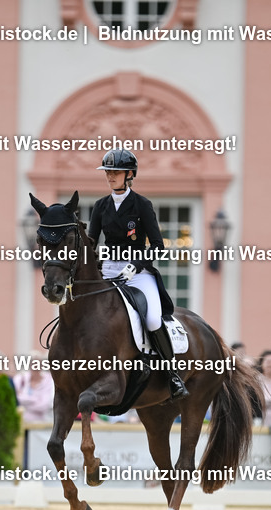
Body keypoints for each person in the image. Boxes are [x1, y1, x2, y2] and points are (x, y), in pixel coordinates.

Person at [88, 148, 187, 401]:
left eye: (116, 172)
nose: (110, 176)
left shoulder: (142, 205)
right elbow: (91, 242)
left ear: (129, 174)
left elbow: (157, 245)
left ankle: (172, 375)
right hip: (108, 269)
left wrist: (136, 264)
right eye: (108, 172)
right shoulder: (100, 206)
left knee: (152, 319)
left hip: (138, 272)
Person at [13, 351, 54, 422]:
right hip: (20, 423)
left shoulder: (49, 381)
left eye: (39, 364)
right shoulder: (20, 379)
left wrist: (23, 401)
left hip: (40, 425)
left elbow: (44, 406)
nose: (36, 367)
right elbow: (15, 399)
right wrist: (37, 399)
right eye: (33, 363)